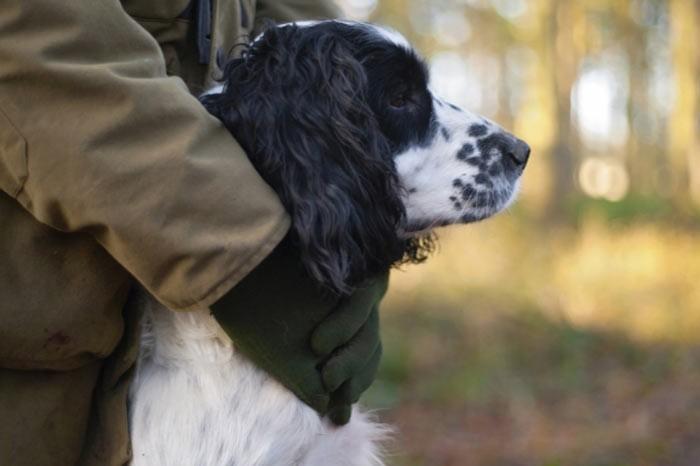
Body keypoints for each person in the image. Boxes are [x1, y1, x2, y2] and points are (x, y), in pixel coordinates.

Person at [0, 1, 386, 465]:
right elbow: (32, 42)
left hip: (212, 355)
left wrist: (342, 227)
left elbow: (301, 33)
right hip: (35, 346)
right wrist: (248, 257)